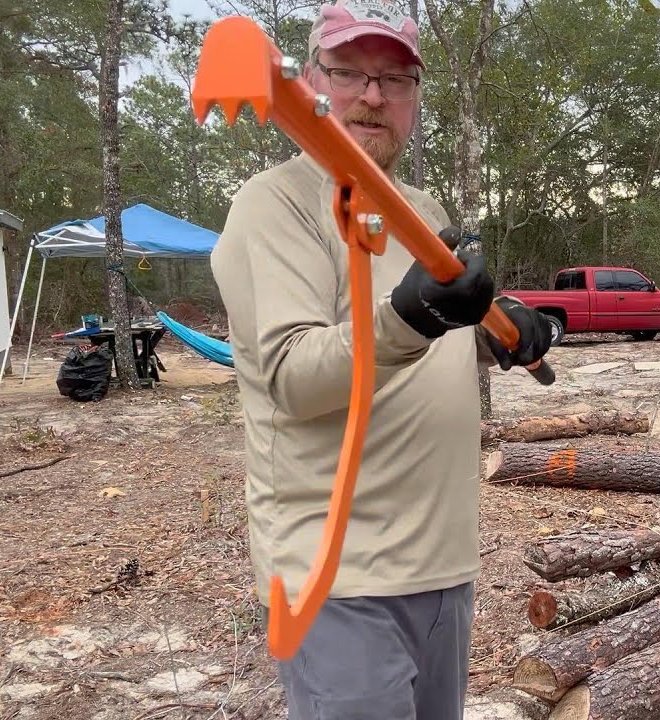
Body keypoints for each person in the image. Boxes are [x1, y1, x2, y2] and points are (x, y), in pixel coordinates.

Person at [208, 0, 552, 717]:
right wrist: (415, 314)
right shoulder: (274, 207)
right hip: (339, 577)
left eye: (395, 79)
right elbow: (292, 379)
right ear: (311, 79)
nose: (373, 94)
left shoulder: (420, 209)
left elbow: (428, 335)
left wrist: (494, 334)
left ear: (415, 101)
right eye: (350, 72)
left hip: (443, 564)